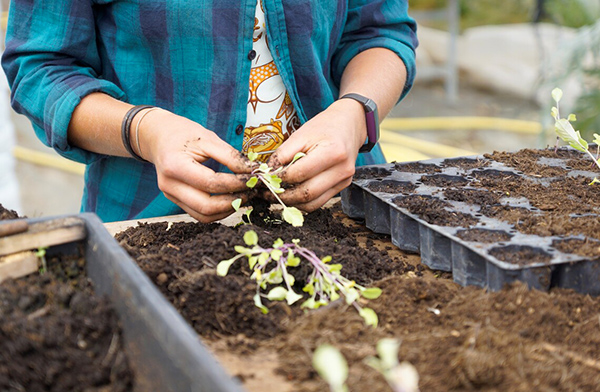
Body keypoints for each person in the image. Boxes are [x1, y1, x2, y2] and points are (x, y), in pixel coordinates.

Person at [2, 0, 417, 223]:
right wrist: (145, 130)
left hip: (341, 212)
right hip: (153, 223)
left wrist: (355, 112)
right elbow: (42, 67)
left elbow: (379, 30)